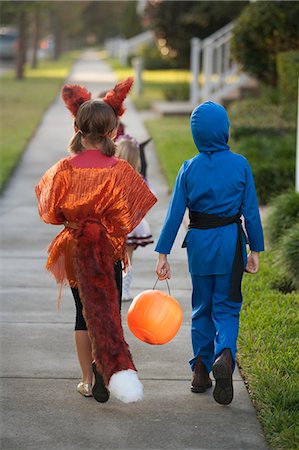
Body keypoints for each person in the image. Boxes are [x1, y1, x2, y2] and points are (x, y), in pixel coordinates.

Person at [35, 77, 157, 404]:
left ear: (77, 127)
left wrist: (74, 219)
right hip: (107, 249)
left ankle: (88, 380)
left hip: (74, 246)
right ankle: (106, 370)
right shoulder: (120, 170)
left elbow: (48, 210)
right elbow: (130, 213)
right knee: (107, 310)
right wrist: (106, 225)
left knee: (82, 312)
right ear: (113, 130)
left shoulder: (63, 168)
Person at [155, 101, 264, 405]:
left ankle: (200, 370)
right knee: (227, 306)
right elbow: (252, 213)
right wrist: (255, 248)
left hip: (200, 245)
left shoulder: (189, 167)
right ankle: (225, 356)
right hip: (231, 245)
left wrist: (162, 253)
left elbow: (175, 215)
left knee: (201, 306)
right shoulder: (241, 164)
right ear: (225, 130)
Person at [115, 134, 154, 301]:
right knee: (128, 259)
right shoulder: (139, 180)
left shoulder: (113, 178)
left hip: (116, 225)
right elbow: (147, 200)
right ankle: (125, 289)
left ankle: (116, 287)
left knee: (114, 259)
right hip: (133, 224)